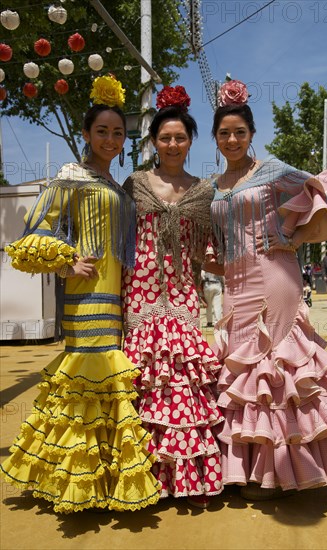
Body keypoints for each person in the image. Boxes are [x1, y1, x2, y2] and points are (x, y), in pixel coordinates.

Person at [1, 75, 160, 513]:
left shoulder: (116, 185)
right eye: (102, 131)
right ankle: (75, 482)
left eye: (118, 133)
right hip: (85, 290)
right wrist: (66, 261)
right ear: (86, 135)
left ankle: (104, 476)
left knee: (107, 382)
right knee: (87, 379)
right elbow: (33, 232)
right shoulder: (71, 177)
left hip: (117, 295)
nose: (111, 138)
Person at [207, 79, 327, 500]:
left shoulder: (274, 170)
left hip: (276, 276)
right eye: (224, 133)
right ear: (215, 138)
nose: (232, 138)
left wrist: (295, 240)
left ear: (251, 135)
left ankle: (282, 470)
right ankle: (252, 467)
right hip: (234, 283)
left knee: (277, 366)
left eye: (240, 131)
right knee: (242, 369)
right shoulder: (213, 185)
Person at [122, 86, 224, 509]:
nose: (172, 144)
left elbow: (212, 248)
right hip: (140, 292)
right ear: (154, 142)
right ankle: (141, 476)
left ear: (190, 141)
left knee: (182, 381)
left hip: (183, 294)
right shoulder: (135, 183)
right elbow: (119, 237)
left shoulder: (203, 190)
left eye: (180, 138)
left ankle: (182, 478)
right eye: (165, 138)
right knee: (144, 381)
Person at [201, 250, 224, 327]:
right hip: (217, 285)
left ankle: (210, 322)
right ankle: (217, 321)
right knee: (217, 305)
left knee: (209, 305)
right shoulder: (217, 263)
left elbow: (202, 276)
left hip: (208, 285)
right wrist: (224, 287)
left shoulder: (204, 264)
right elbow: (222, 276)